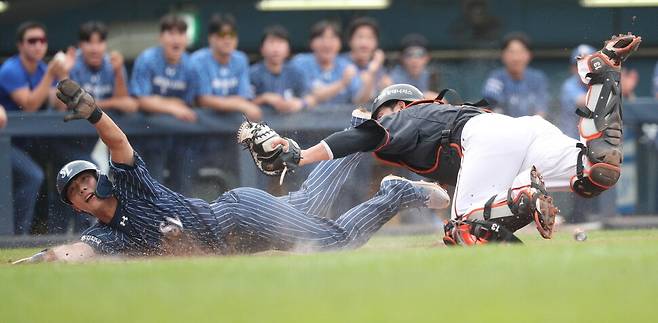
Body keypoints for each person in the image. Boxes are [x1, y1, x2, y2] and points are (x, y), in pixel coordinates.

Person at [11, 79, 449, 263]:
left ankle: (394, 192)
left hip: (237, 218)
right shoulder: (105, 236)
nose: (84, 187)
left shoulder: (128, 185)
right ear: (74, 204)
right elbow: (71, 254)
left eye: (86, 178)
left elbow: (118, 142)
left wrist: (93, 113)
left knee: (333, 241)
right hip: (241, 230)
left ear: (99, 178)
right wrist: (26, 264)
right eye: (74, 189)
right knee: (309, 202)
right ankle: (360, 130)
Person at [265, 34, 641, 245]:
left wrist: (300, 155)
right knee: (596, 172)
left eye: (383, 112)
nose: (381, 122)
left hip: (485, 140)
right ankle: (604, 75)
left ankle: (524, 195)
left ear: (396, 105)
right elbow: (448, 192)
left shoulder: (406, 114)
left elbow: (359, 136)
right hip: (522, 133)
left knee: (464, 229)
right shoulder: (430, 126)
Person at [129, 14, 202, 193]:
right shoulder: (147, 59)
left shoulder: (191, 66)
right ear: (161, 37)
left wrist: (162, 103)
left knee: (183, 186)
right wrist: (172, 106)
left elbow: (190, 105)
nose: (176, 38)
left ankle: (184, 220)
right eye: (170, 33)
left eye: (181, 33)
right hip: (147, 135)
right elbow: (141, 101)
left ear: (186, 39)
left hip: (180, 138)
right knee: (152, 186)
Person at [192, 13, 261, 121]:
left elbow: (243, 96)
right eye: (222, 34)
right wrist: (240, 105)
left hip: (231, 125)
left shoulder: (241, 59)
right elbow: (203, 99)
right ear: (211, 38)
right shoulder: (198, 60)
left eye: (232, 34)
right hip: (204, 124)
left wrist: (230, 103)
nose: (228, 39)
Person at [69, 21, 138, 113]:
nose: (95, 49)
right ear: (80, 45)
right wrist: (114, 103)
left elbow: (127, 105)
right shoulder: (72, 62)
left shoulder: (113, 62)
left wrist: (118, 72)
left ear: (106, 44)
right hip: (76, 124)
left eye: (100, 42)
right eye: (89, 42)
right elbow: (72, 105)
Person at [290, 20, 362, 106]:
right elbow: (314, 96)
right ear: (311, 43)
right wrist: (342, 83)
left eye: (332, 38)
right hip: (306, 117)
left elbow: (358, 100)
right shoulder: (300, 63)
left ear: (340, 43)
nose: (327, 44)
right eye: (321, 38)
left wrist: (371, 75)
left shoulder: (346, 66)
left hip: (341, 118)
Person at [0, 104, 45, 234]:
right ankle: (15, 235)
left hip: (17, 145)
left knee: (32, 176)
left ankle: (18, 235)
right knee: (32, 175)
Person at [481, 32, 549, 117]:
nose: (516, 58)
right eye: (511, 52)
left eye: (520, 52)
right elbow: (488, 108)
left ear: (529, 55)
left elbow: (541, 111)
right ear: (503, 55)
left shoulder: (537, 78)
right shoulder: (496, 78)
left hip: (531, 128)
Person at [250, 25, 314, 114]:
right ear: (262, 49)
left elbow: (311, 98)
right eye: (271, 43)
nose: (276, 49)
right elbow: (244, 103)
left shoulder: (296, 73)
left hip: (293, 125)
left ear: (288, 49)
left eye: (280, 43)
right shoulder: (253, 74)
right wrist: (264, 98)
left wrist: (301, 103)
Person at [342, 17, 391, 102]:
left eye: (370, 37)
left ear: (376, 42)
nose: (364, 43)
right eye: (360, 37)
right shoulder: (340, 64)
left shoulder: (378, 67)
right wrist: (371, 73)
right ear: (350, 40)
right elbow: (358, 104)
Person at [389, 34, 438, 98]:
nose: (414, 60)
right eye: (409, 55)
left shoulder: (431, 76)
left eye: (420, 54)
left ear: (427, 58)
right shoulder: (390, 79)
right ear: (401, 58)